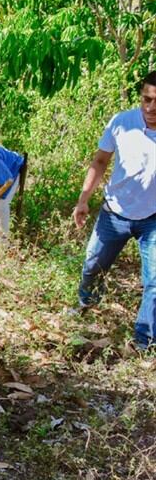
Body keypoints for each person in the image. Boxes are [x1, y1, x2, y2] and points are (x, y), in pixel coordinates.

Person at [72, 71, 156, 351]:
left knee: (155, 282)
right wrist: (83, 199)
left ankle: (144, 343)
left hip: (153, 219)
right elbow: (99, 161)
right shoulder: (121, 123)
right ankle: (86, 307)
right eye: (147, 99)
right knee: (93, 265)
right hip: (115, 212)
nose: (151, 107)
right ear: (140, 97)